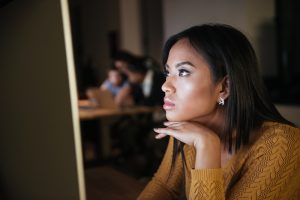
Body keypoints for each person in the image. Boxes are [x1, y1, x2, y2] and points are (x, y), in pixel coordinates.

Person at [138, 24, 300, 199]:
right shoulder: (189, 126)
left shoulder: (283, 143)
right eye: (168, 73)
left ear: (224, 87)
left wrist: (206, 145)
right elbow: (164, 186)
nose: (165, 86)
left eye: (183, 72)